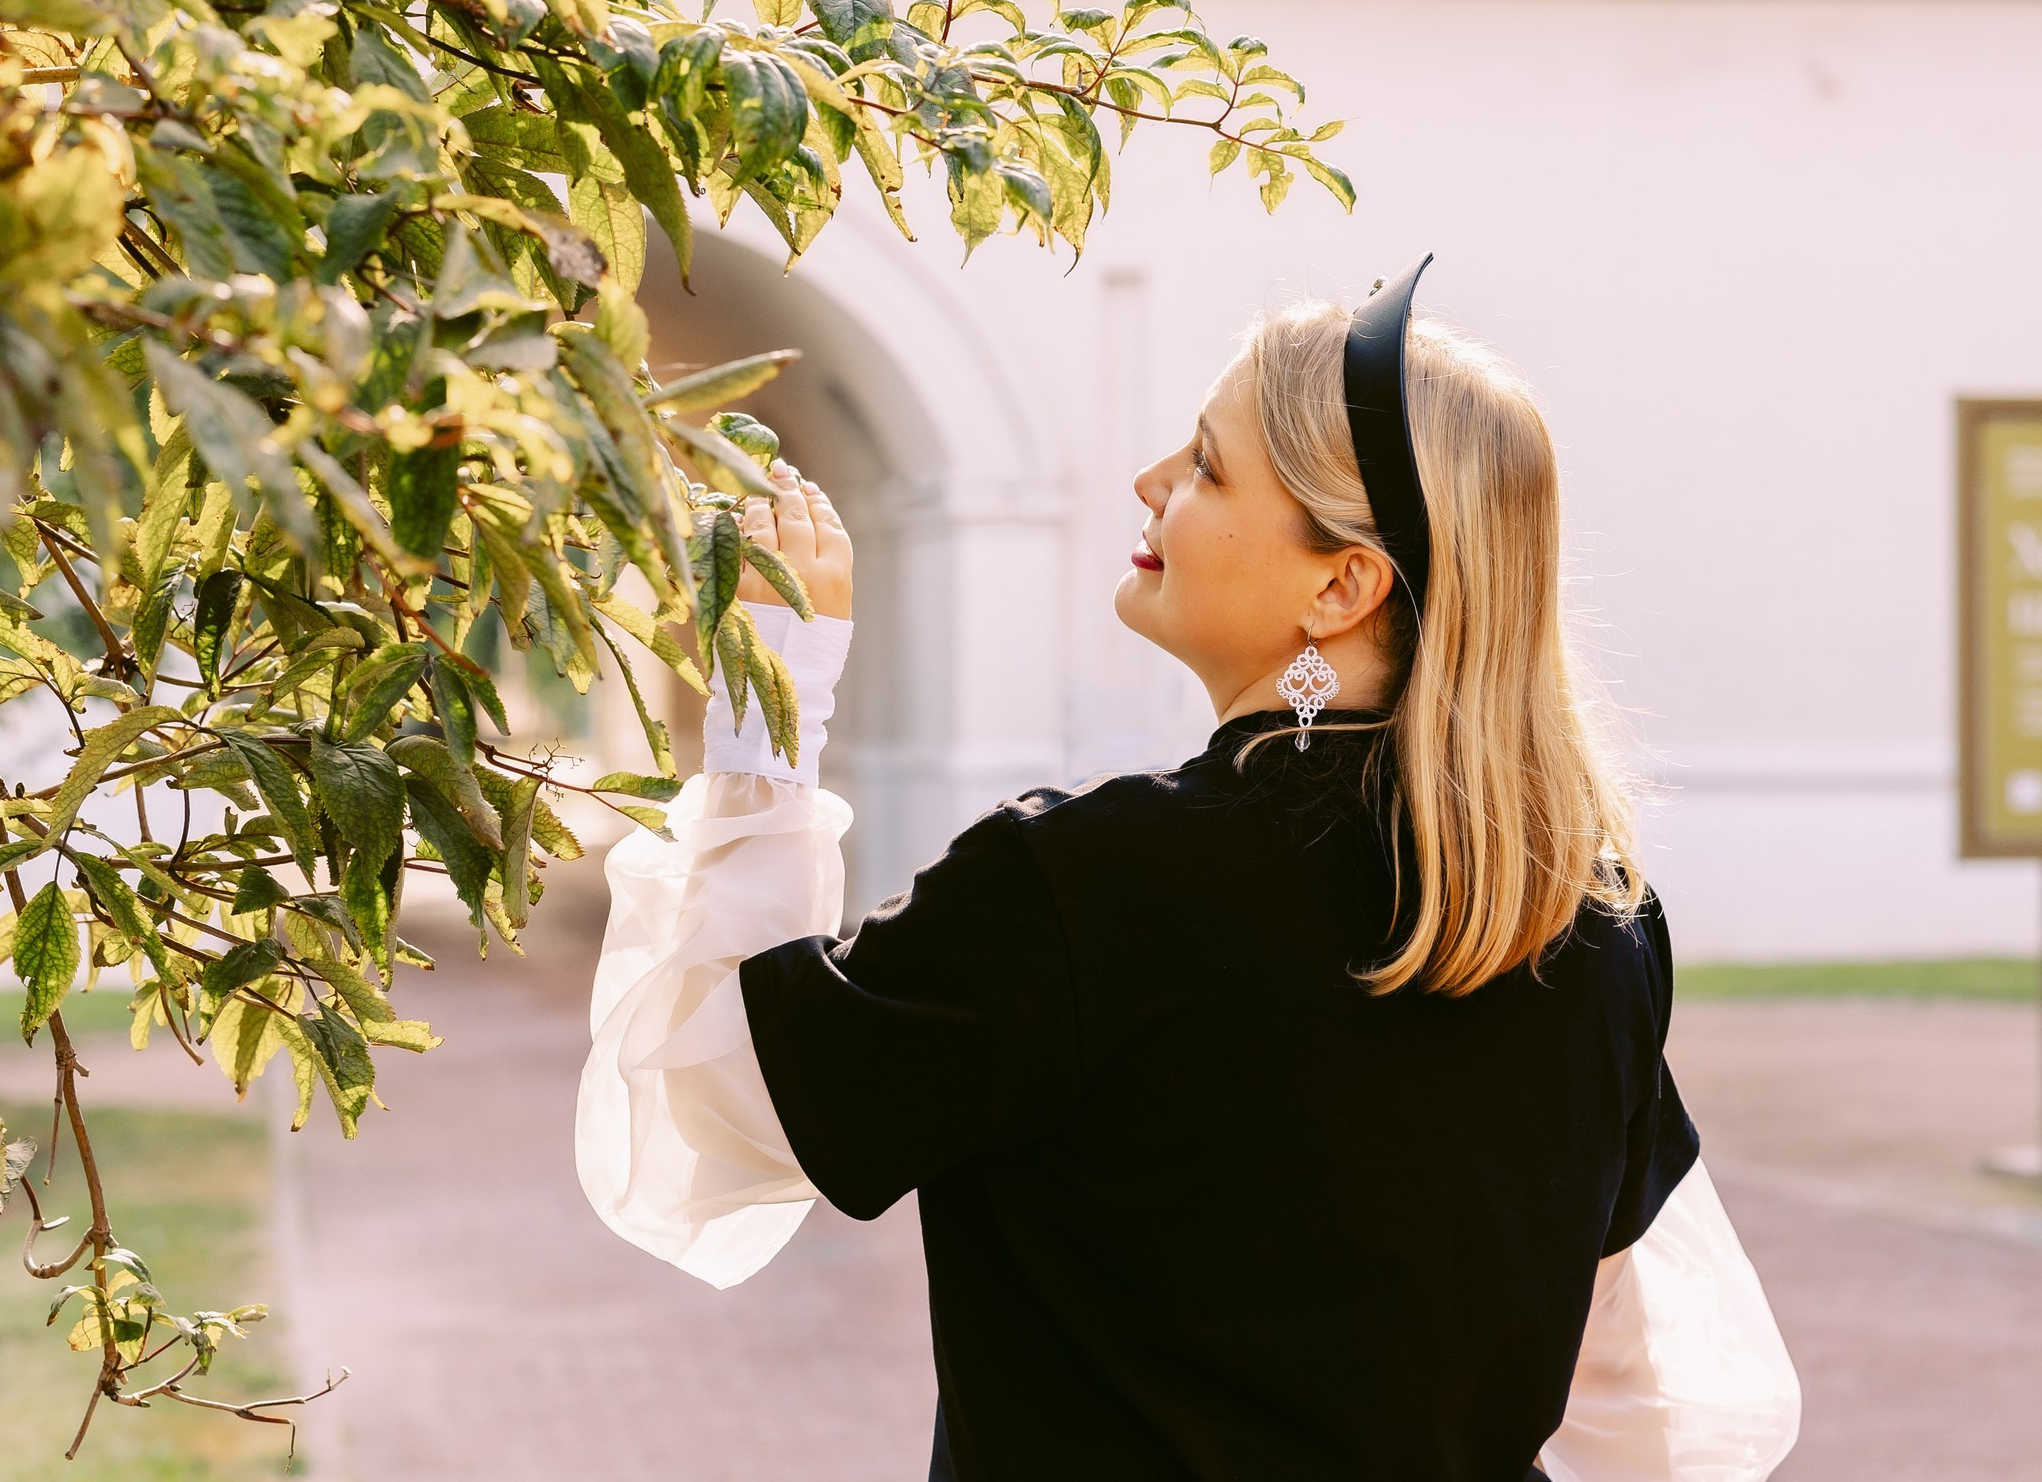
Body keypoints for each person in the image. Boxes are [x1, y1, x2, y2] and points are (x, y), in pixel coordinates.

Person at [574, 262, 1801, 1481]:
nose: (1150, 481)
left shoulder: (1080, 887)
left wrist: (770, 709)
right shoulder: (1591, 918)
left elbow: (722, 1111)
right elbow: (1648, 1389)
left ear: (1342, 585)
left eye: (1208, 466)